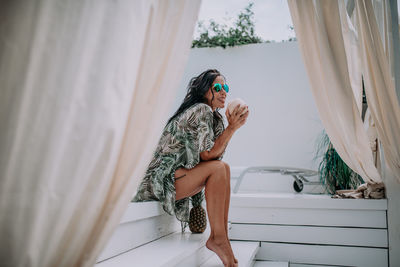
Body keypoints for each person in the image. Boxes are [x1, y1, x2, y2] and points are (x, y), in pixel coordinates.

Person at [132, 69, 249, 267]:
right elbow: (207, 155)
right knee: (220, 168)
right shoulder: (201, 109)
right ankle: (219, 239)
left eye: (225, 88)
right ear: (204, 91)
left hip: (177, 178)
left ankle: (222, 238)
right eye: (217, 88)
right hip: (160, 181)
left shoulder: (215, 119)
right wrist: (232, 128)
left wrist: (229, 128)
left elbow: (212, 159)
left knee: (223, 168)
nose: (224, 92)